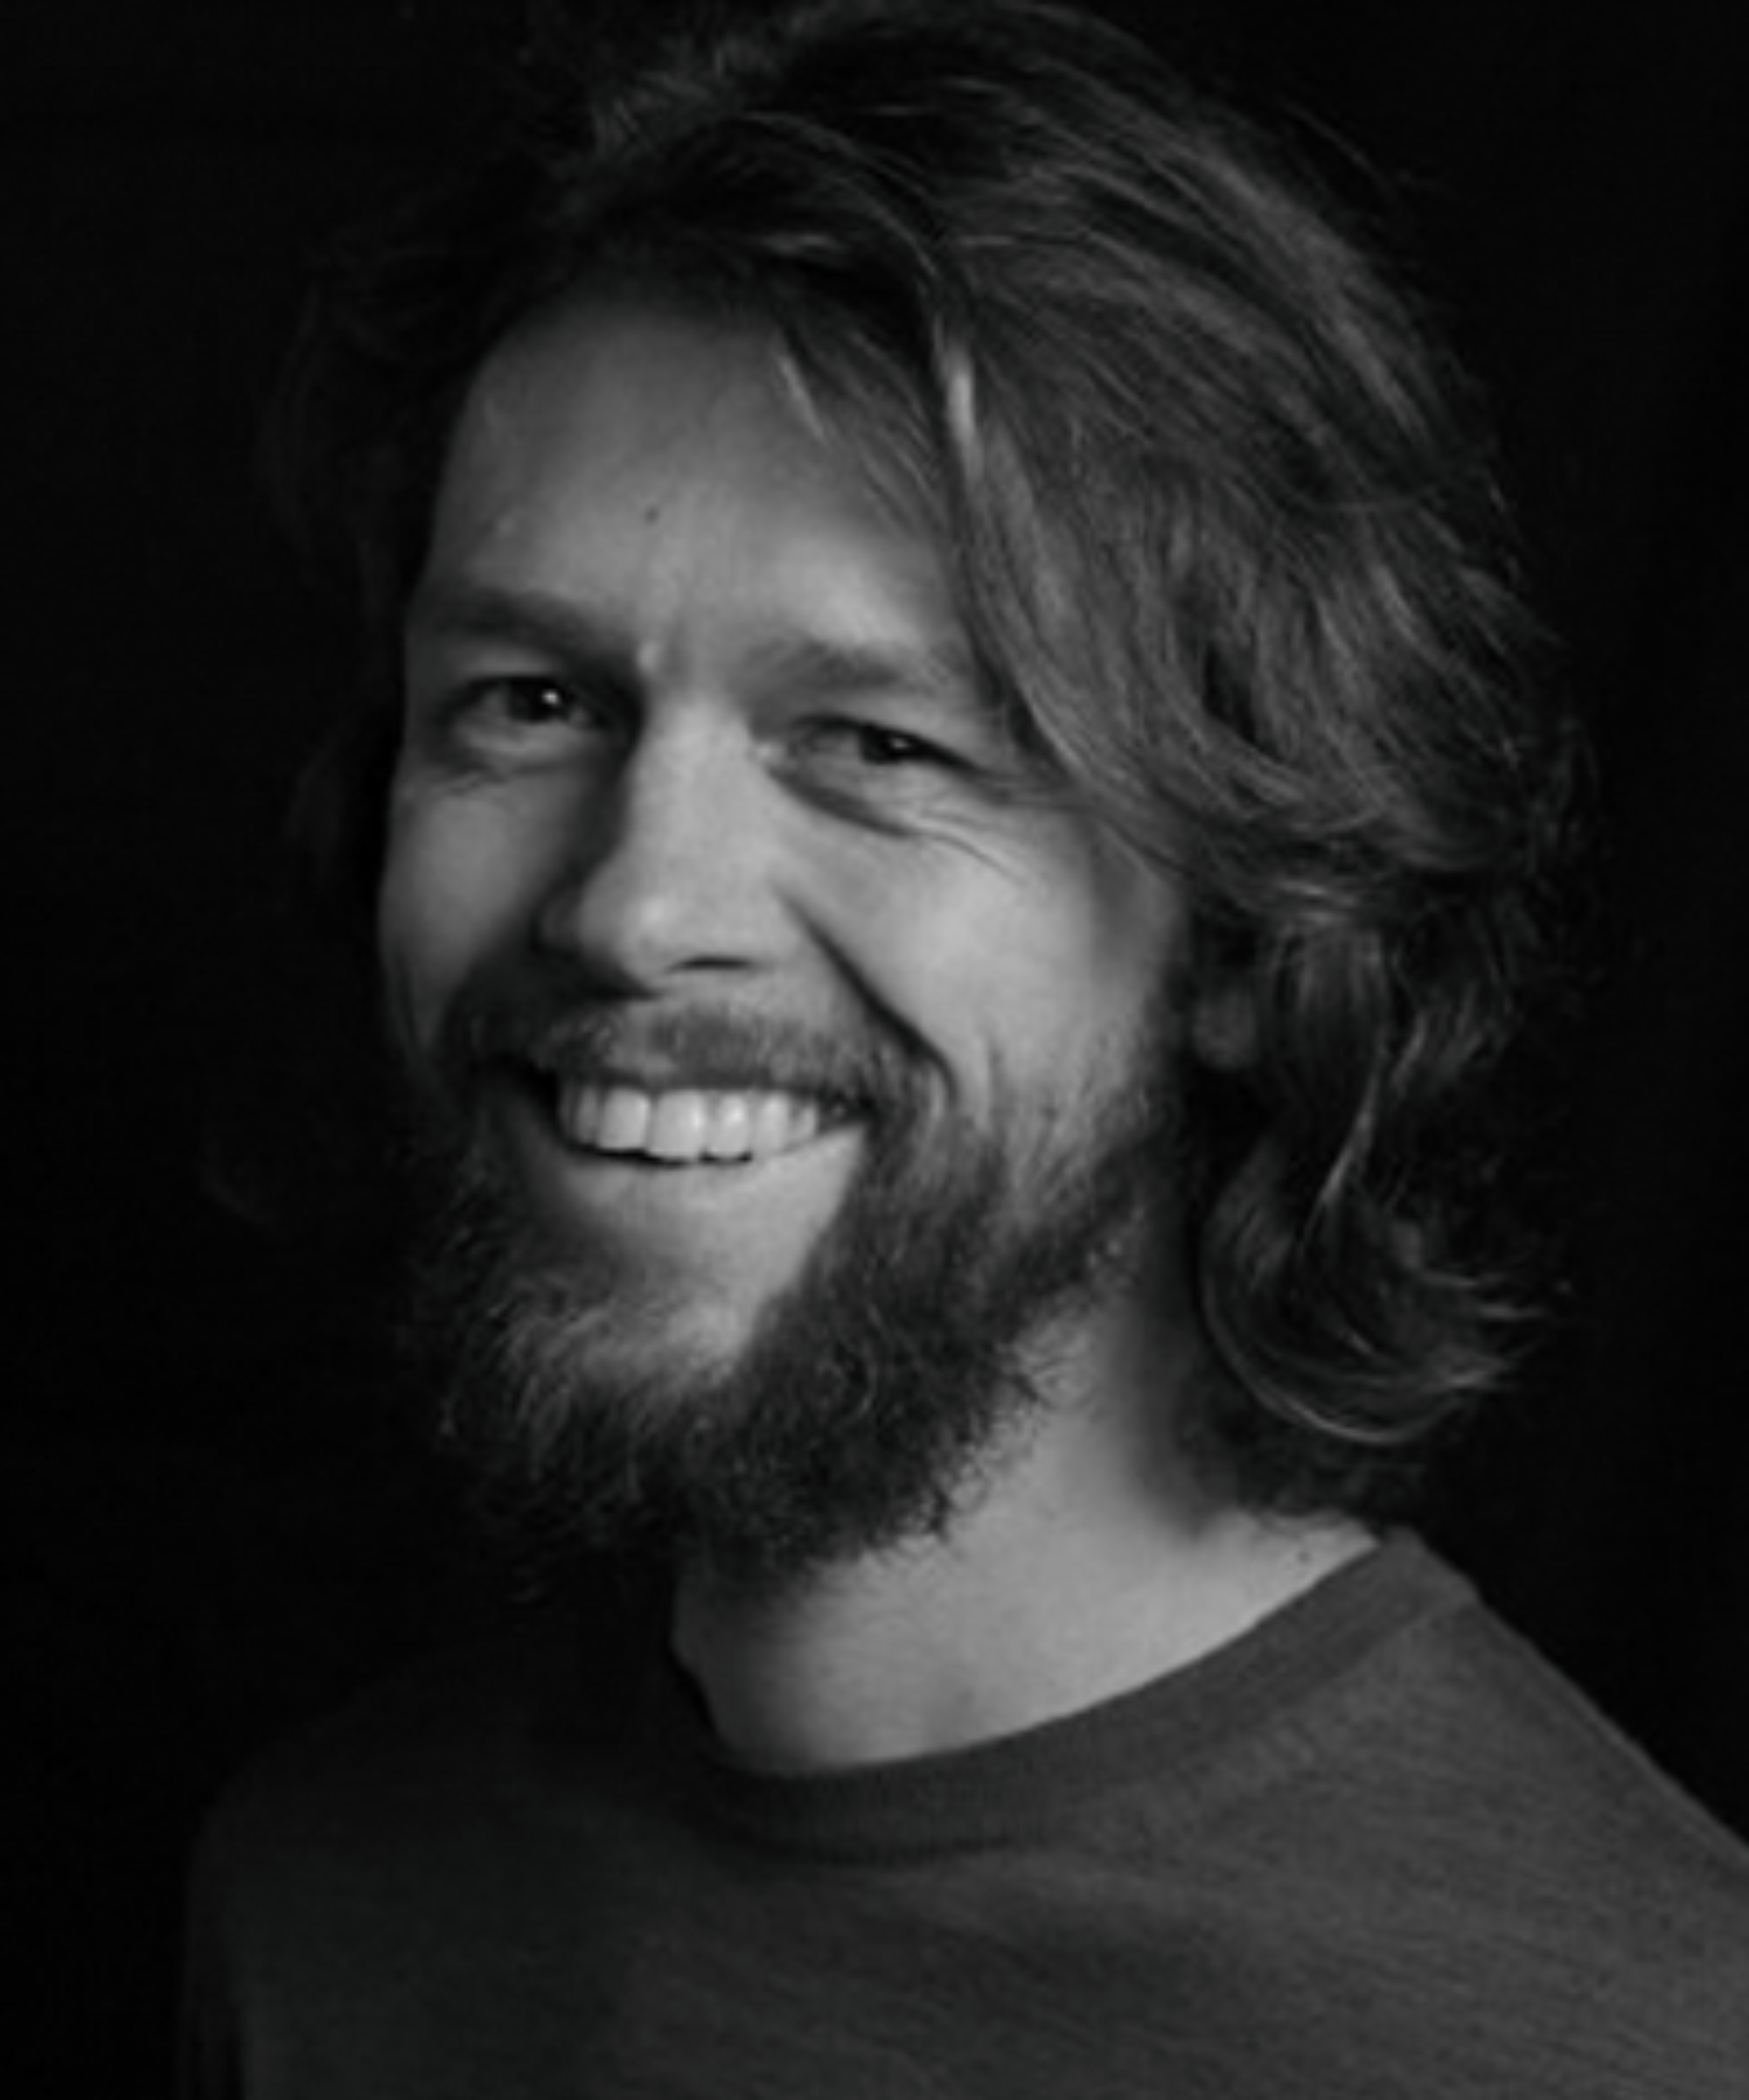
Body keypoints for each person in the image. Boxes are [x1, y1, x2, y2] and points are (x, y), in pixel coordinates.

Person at [179, 1, 1749, 2091]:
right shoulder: (326, 1909)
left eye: (878, 742)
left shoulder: (1642, 2040)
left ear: (1247, 928)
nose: (636, 905)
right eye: (529, 702)